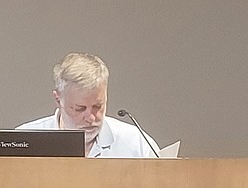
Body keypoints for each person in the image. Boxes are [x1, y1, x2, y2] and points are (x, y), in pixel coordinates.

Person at [17, 52, 159, 158]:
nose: (91, 118)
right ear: (58, 99)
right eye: (80, 108)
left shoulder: (136, 143)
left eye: (98, 106)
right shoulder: (23, 141)